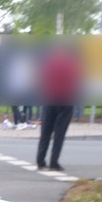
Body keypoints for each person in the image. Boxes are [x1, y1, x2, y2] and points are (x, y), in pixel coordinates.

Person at [36, 42, 81, 171]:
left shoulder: (48, 63)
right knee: (59, 133)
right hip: (65, 101)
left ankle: (40, 160)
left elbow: (42, 80)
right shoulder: (73, 64)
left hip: (49, 99)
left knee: (45, 132)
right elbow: (76, 82)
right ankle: (54, 162)